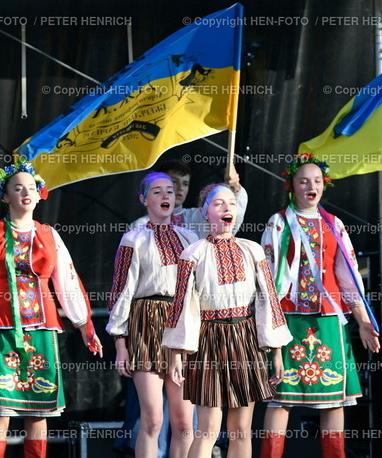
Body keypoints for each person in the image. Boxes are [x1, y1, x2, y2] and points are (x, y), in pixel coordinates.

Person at [0, 158, 103, 458]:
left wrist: (84, 325)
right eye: (17, 188)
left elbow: (67, 278)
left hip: (42, 327)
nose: (25, 192)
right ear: (5, 196)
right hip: (0, 326)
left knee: (39, 409)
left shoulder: (49, 235)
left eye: (31, 187)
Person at [259, 154, 380, 458]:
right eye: (303, 181)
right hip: (287, 319)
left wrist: (363, 319)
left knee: (335, 399)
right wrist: (266, 322)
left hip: (328, 319)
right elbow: (266, 274)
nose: (310, 186)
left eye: (316, 181)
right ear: (292, 186)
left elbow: (348, 275)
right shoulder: (278, 222)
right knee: (280, 397)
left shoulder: (334, 224)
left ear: (324, 186)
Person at [162, 184, 292, 458]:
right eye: (218, 203)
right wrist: (175, 354)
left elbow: (269, 300)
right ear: (204, 212)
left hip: (245, 338)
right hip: (209, 339)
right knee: (208, 428)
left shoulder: (253, 250)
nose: (226, 208)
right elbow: (182, 306)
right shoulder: (193, 254)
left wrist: (277, 352)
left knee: (241, 429)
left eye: (231, 203)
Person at [107, 172, 199, 457]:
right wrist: (120, 344)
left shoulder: (190, 238)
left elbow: (197, 290)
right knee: (152, 420)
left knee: (184, 423)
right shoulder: (134, 239)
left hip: (181, 324)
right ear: (143, 199)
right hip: (146, 321)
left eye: (169, 191)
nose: (166, 196)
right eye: (157, 192)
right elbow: (121, 291)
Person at [132, 159, 248, 238]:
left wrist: (235, 187)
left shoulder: (197, 217)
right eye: (174, 182)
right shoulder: (139, 226)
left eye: (185, 183)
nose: (180, 188)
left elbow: (228, 222)